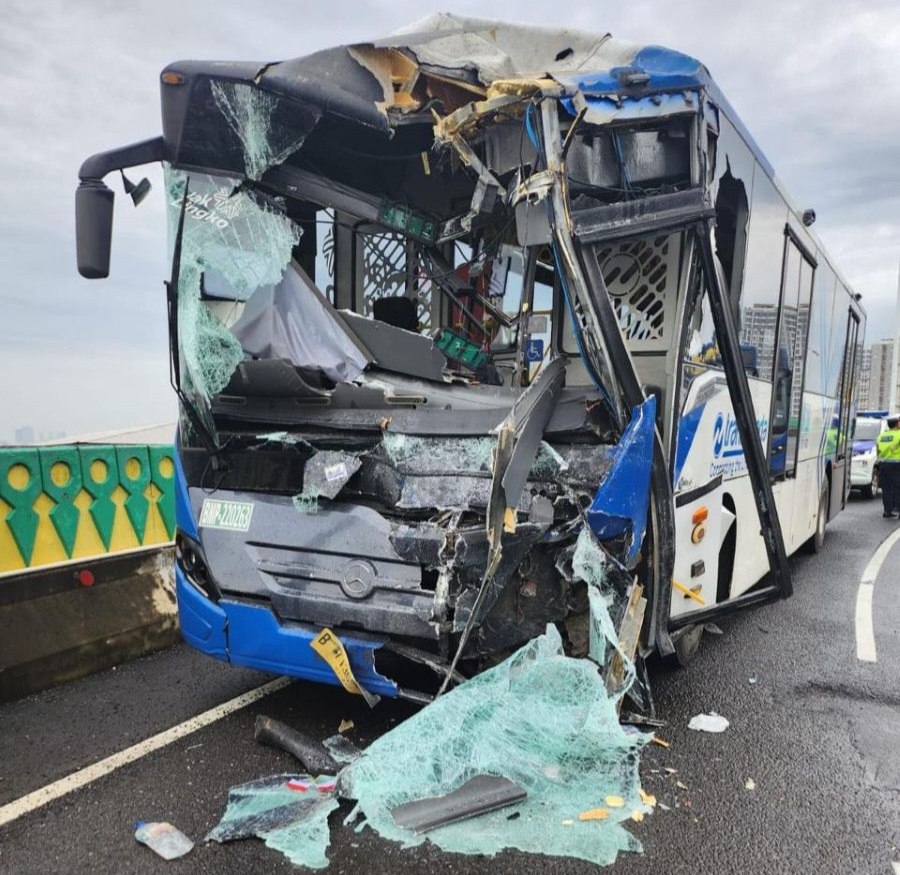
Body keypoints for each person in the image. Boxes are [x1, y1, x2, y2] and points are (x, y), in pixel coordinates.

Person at [875, 415, 900, 517]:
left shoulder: (881, 436)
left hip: (884, 464)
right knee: (898, 488)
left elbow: (878, 451)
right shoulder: (899, 434)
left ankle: (887, 511)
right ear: (897, 424)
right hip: (897, 464)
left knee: (886, 489)